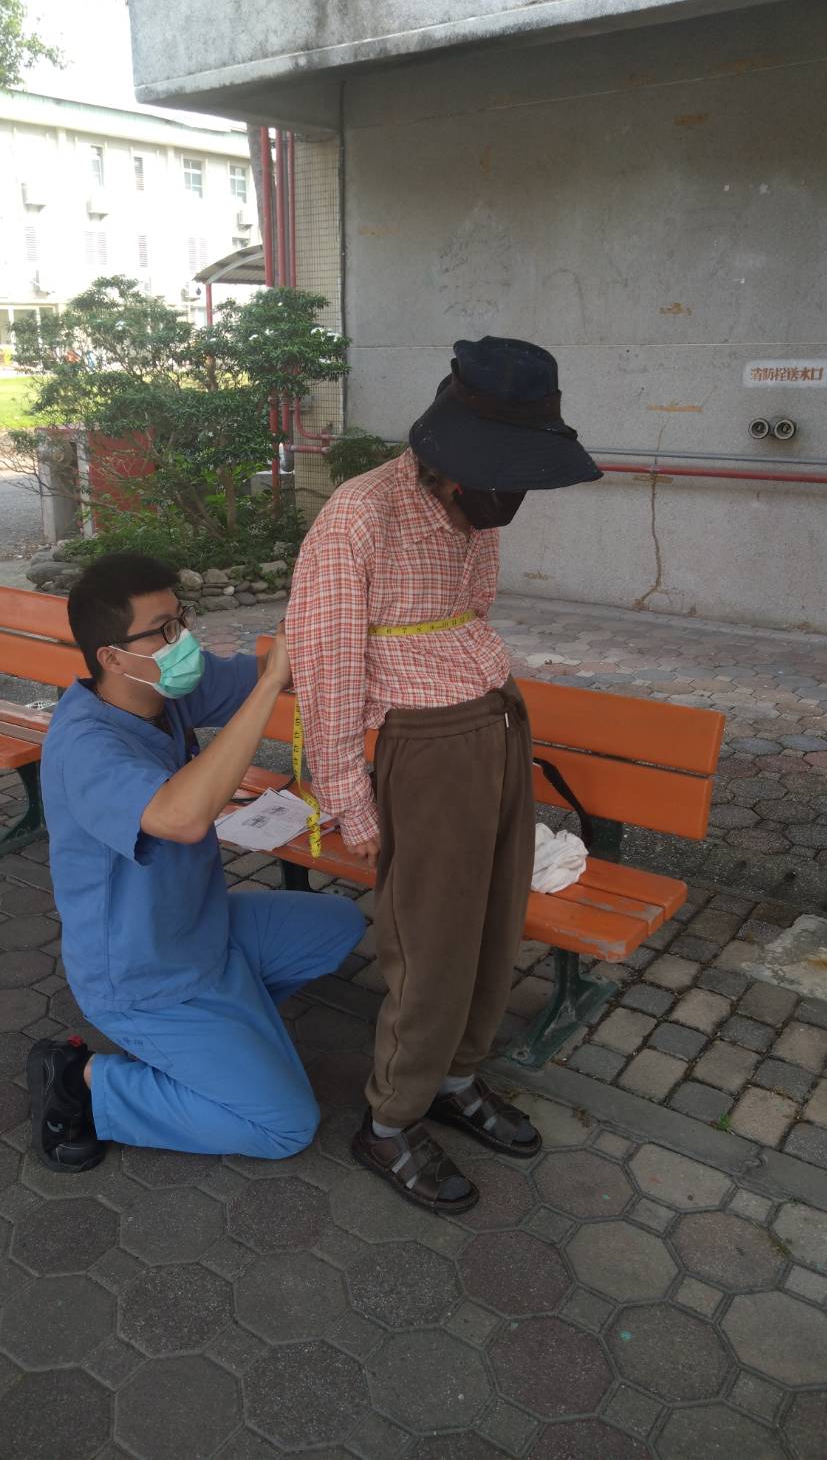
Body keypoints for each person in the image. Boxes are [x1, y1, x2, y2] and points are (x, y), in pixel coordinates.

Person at [287, 337, 602, 1214]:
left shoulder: (476, 511)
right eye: (497, 470)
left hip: (497, 723)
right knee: (431, 946)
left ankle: (456, 1078)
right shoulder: (360, 516)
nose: (507, 494)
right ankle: (390, 1118)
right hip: (423, 748)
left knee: (496, 925)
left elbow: (472, 614)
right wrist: (350, 798)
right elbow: (324, 662)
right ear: (448, 451)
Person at [28, 552, 365, 1173]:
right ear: (111, 657)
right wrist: (270, 686)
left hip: (202, 927)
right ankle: (86, 1081)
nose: (182, 639)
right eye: (163, 630)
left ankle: (227, 1033)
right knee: (285, 1125)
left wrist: (323, 628)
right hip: (141, 975)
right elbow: (181, 817)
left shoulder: (162, 691)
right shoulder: (86, 745)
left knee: (338, 927)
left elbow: (272, 668)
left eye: (180, 619)